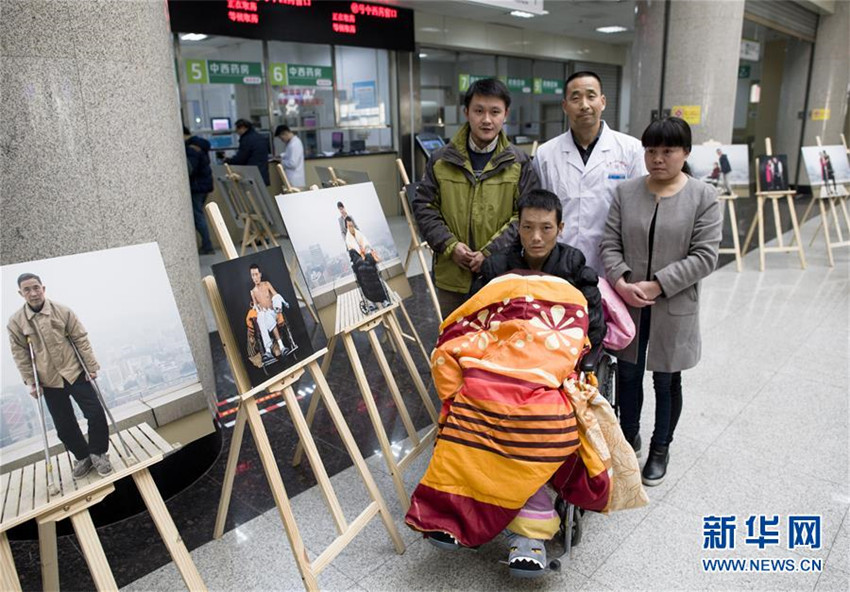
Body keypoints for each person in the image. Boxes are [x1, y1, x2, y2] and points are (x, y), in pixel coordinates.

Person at [600, 117, 722, 486]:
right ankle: (628, 437)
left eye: (667, 150)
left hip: (673, 304)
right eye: (651, 150)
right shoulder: (627, 192)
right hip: (629, 301)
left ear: (685, 153)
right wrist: (621, 281)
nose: (657, 158)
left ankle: (660, 448)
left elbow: (705, 255)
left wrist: (656, 285)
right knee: (629, 374)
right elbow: (609, 243)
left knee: (667, 380)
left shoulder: (703, 196)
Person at [412, 78, 538, 317]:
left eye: (495, 112)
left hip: (501, 276)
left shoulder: (520, 163)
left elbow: (525, 216)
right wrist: (450, 246)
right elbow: (425, 207)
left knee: (499, 344)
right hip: (452, 277)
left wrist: (490, 254)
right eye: (479, 111)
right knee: (453, 343)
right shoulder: (441, 160)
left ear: (506, 114)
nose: (487, 119)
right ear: (466, 112)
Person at [533, 71, 645, 276]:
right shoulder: (545, 154)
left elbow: (639, 211)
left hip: (611, 265)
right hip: (557, 264)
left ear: (602, 102)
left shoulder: (631, 150)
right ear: (565, 106)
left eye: (591, 96)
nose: (584, 105)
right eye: (575, 98)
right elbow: (537, 212)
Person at [7, 273, 113, 478]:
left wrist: (91, 366)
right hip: (48, 379)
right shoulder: (16, 322)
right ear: (21, 293)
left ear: (43, 288)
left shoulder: (62, 311)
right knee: (63, 426)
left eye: (36, 287)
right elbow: (20, 354)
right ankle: (83, 457)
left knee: (96, 413)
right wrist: (31, 381)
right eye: (27, 289)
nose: (33, 292)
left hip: (74, 371)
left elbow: (80, 338)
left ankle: (98, 453)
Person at [475, 189, 605, 349]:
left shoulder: (573, 267)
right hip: (503, 352)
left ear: (560, 228)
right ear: (518, 228)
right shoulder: (496, 268)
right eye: (528, 227)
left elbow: (594, 328)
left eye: (546, 228)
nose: (536, 237)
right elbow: (474, 320)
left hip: (558, 354)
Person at [249, 264, 290, 363]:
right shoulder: (253, 292)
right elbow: (255, 305)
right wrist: (257, 309)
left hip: (273, 312)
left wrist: (279, 303)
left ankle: (269, 350)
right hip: (264, 315)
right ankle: (279, 347)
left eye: (256, 274)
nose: (255, 277)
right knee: (261, 316)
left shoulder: (266, 284)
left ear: (260, 274)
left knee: (266, 315)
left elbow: (276, 295)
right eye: (252, 275)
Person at [184, 126, 215, 255]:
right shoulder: (199, 145)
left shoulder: (191, 148)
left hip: (197, 187)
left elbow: (190, 169)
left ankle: (207, 245)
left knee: (198, 216)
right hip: (204, 185)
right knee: (199, 215)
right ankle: (207, 245)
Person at [225, 118, 270, 186]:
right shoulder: (259, 137)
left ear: (243, 128)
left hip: (251, 174)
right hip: (262, 173)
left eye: (237, 129)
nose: (237, 132)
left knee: (251, 195)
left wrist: (228, 160)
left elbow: (241, 158)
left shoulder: (247, 139)